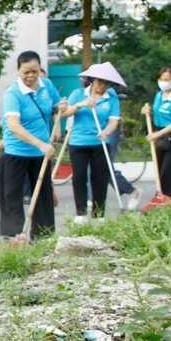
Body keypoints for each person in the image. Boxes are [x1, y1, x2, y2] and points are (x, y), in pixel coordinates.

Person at [0, 51, 66, 240]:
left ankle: (43, 236)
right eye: (26, 72)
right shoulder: (13, 93)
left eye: (34, 71)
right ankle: (13, 236)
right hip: (16, 151)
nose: (30, 76)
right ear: (18, 70)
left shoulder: (46, 85)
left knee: (43, 195)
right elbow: (13, 126)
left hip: (41, 152)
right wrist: (40, 144)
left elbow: (57, 107)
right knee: (12, 194)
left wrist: (61, 111)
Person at [61, 62, 124, 224]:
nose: (102, 86)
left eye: (106, 83)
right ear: (91, 80)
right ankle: (80, 213)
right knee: (79, 176)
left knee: (100, 178)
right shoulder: (78, 94)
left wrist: (107, 132)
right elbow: (65, 113)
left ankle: (98, 214)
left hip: (100, 142)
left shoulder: (112, 98)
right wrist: (81, 104)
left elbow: (113, 121)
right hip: (78, 141)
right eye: (99, 81)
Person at [141, 66, 171, 198]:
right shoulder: (159, 95)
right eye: (161, 79)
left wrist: (157, 135)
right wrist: (148, 113)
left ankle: (164, 198)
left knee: (168, 171)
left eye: (167, 79)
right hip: (162, 133)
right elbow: (157, 117)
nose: (163, 82)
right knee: (160, 168)